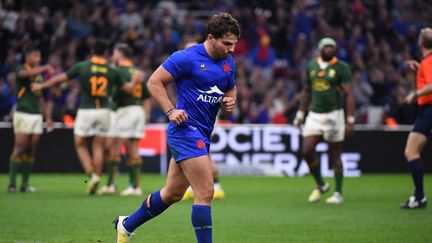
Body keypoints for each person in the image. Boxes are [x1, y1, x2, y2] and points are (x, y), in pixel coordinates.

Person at [114, 12, 239, 243]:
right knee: (205, 192)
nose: (231, 49)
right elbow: (153, 81)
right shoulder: (186, 58)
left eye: (234, 45)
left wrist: (230, 99)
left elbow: (231, 88)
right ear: (211, 38)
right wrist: (171, 110)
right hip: (185, 130)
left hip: (203, 131)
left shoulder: (228, 62)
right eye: (227, 44)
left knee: (172, 193)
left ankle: (126, 224)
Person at [32, 40, 129, 195]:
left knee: (80, 144)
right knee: (98, 147)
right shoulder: (112, 70)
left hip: (86, 110)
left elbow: (60, 79)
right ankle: (97, 176)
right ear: (106, 53)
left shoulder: (82, 66)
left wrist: (42, 86)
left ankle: (91, 174)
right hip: (104, 111)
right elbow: (127, 89)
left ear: (92, 50)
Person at [294, 37, 355, 204]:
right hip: (315, 114)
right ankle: (321, 184)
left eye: (332, 47)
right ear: (320, 49)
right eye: (326, 46)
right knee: (307, 150)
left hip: (334, 115)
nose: (329, 49)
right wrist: (300, 113)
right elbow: (306, 92)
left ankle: (338, 193)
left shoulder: (341, 67)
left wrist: (350, 119)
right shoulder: (311, 66)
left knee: (335, 153)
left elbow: (349, 94)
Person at [98, 43, 150, 196]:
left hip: (124, 111)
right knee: (133, 149)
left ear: (120, 54)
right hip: (138, 110)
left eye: (114, 53)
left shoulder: (116, 71)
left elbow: (119, 90)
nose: (113, 56)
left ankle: (110, 185)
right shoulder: (137, 71)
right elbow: (146, 97)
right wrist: (146, 114)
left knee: (115, 148)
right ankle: (135, 187)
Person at [180, 41, 225, 201]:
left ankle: (216, 185)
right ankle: (200, 186)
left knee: (204, 154)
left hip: (202, 121)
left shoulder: (201, 69)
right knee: (199, 154)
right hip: (200, 119)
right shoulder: (202, 67)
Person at [7, 44, 53, 193]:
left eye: (39, 56)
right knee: (19, 147)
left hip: (36, 114)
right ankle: (12, 184)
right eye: (35, 56)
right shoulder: (21, 69)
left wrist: (48, 117)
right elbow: (23, 76)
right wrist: (45, 67)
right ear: (27, 56)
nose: (38, 59)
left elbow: (40, 98)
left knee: (31, 149)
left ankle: (25, 184)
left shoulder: (38, 76)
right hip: (23, 113)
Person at [400, 27, 432, 209]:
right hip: (427, 110)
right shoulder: (426, 62)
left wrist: (414, 94)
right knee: (413, 152)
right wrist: (420, 69)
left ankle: (419, 197)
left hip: (428, 109)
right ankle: (418, 196)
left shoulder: (429, 61)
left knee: (411, 152)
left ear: (420, 43)